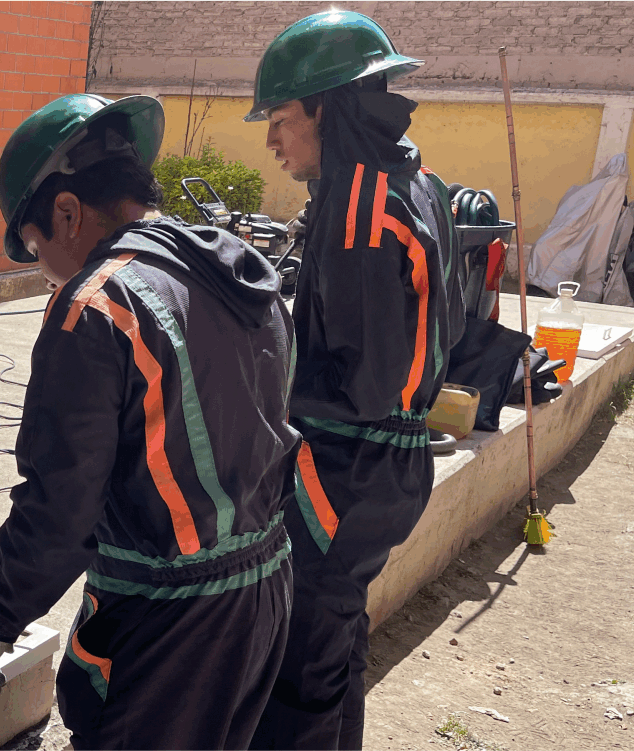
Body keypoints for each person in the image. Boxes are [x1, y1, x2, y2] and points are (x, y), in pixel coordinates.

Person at [0, 92, 302, 750]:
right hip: (264, 590)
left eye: (35, 250)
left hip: (172, 626)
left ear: (65, 213)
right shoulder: (235, 269)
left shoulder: (95, 304)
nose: (43, 274)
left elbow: (60, 506)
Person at [242, 11, 465, 750]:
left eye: (278, 119)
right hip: (394, 466)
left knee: (297, 672)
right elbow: (449, 321)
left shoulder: (359, 208)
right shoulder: (419, 179)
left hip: (346, 468)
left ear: (325, 107)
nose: (271, 140)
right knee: (335, 647)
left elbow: (360, 380)